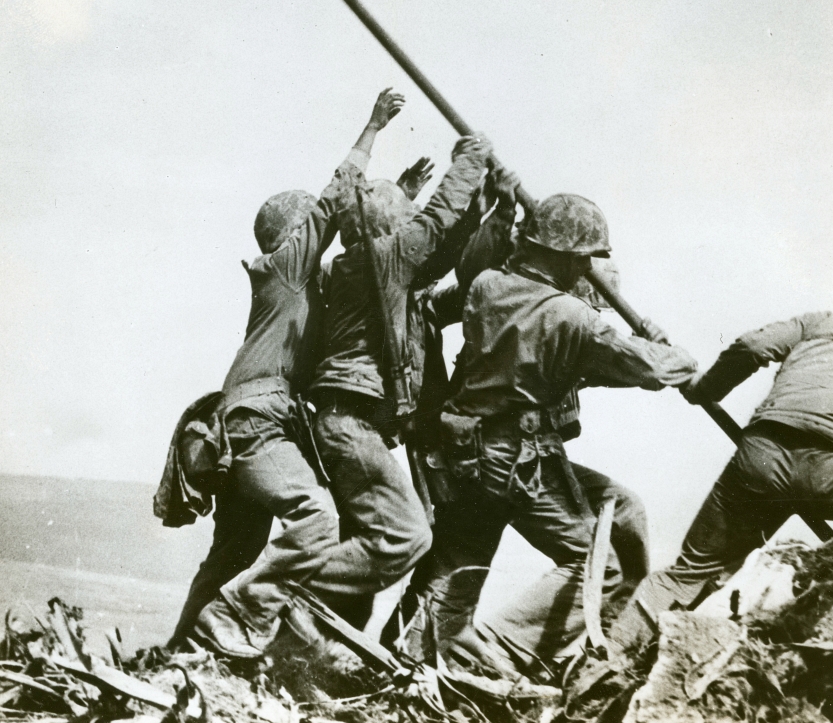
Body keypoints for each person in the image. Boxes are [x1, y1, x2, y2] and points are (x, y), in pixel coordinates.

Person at [168, 89, 406, 656]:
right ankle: (235, 621)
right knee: (316, 518)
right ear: (293, 234)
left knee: (234, 553)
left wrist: (407, 196)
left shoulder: (301, 286)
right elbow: (334, 202)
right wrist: (372, 127)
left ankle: (181, 651)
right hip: (258, 423)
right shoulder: (285, 268)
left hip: (246, 425)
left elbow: (366, 243)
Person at [425, 194, 697, 678]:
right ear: (567, 257)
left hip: (468, 450)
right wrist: (673, 353)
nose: (587, 269)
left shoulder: (489, 286)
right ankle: (495, 652)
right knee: (598, 566)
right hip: (517, 458)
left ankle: (421, 652)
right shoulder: (570, 316)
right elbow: (651, 369)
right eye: (584, 259)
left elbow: (582, 364)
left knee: (462, 563)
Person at [608, 297, 833, 658]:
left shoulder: (824, 323)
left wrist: (707, 390)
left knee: (689, 571)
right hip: (832, 479)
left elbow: (751, 346)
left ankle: (609, 653)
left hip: (758, 461)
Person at [390, 254, 653, 664]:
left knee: (623, 512)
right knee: (456, 570)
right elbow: (433, 305)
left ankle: (615, 637)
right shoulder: (522, 307)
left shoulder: (565, 326)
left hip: (527, 460)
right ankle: (450, 654)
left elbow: (604, 365)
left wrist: (644, 357)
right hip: (488, 458)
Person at [299, 131, 495, 630]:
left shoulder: (370, 270)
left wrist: (489, 208)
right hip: (351, 426)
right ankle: (283, 592)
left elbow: (445, 248)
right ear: (391, 229)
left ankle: (324, 641)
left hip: (353, 427)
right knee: (407, 536)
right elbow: (435, 225)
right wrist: (471, 160)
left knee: (368, 547)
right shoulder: (380, 259)